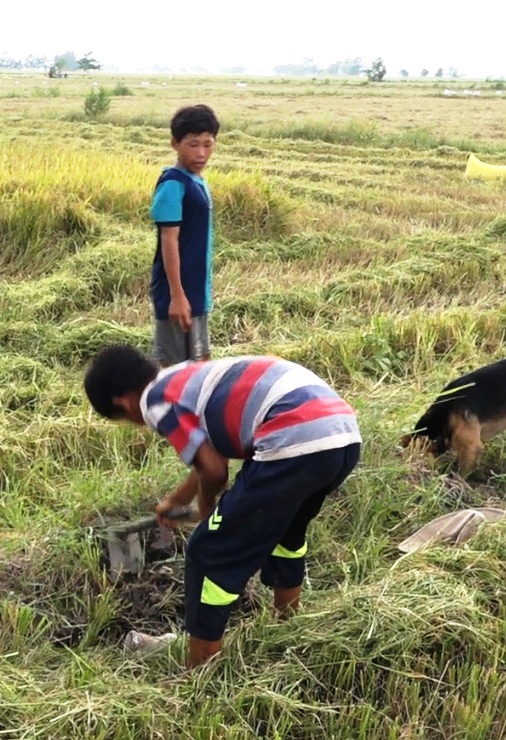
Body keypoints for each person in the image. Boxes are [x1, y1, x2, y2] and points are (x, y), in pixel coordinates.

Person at [83, 344, 362, 668]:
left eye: (126, 420)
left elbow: (215, 470)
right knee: (286, 533)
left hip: (291, 438)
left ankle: (201, 669)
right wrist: (178, 500)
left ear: (123, 403)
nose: (137, 423)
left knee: (208, 552)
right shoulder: (183, 377)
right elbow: (210, 452)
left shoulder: (154, 401)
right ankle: (288, 626)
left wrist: (206, 508)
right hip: (340, 434)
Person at [149, 104, 218, 366]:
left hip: (196, 287)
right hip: (177, 291)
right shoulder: (173, 184)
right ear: (174, 144)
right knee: (174, 370)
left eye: (207, 144)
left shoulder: (196, 181)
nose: (201, 153)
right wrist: (177, 296)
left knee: (201, 364)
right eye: (193, 144)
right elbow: (169, 240)